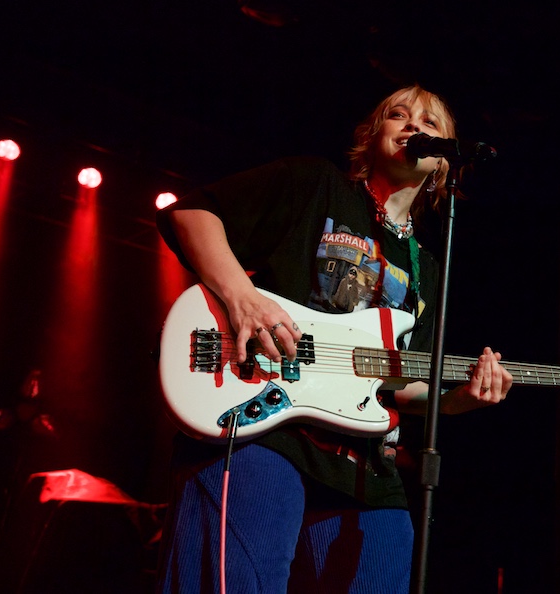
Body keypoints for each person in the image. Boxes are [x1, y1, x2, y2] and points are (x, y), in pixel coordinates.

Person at [155, 85, 513, 593]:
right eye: (398, 115)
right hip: (266, 428)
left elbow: (400, 382)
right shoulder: (314, 184)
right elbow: (191, 214)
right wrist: (243, 297)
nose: (413, 127)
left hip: (366, 470)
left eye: (429, 124)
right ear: (372, 137)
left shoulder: (427, 268)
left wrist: (457, 400)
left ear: (443, 165)